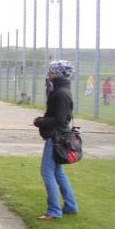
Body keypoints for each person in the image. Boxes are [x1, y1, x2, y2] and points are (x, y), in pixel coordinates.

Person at [33, 60, 78, 219]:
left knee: (47, 172)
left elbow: (59, 119)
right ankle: (71, 205)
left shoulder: (60, 93)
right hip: (59, 136)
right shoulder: (62, 90)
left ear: (56, 73)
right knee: (58, 172)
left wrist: (40, 121)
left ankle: (54, 210)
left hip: (56, 137)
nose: (48, 74)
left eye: (51, 71)